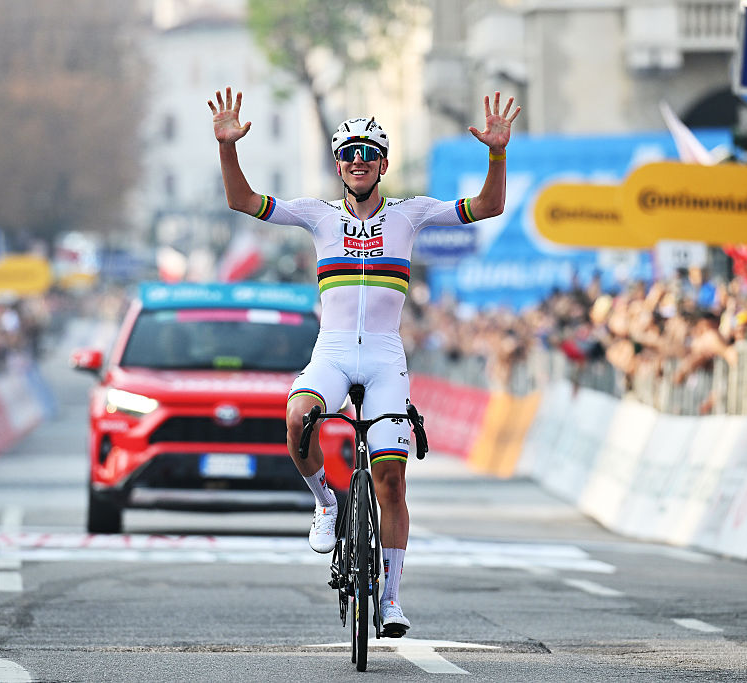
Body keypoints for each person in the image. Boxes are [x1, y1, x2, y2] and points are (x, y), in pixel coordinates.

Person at [208, 86, 519, 637]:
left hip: (383, 357)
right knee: (298, 417)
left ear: (382, 164)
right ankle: (326, 502)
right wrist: (228, 149)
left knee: (391, 479)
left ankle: (393, 600)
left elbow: (489, 206)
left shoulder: (412, 213)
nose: (357, 161)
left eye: (367, 154)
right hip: (330, 352)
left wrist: (496, 154)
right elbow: (243, 201)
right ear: (337, 165)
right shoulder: (316, 215)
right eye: (348, 154)